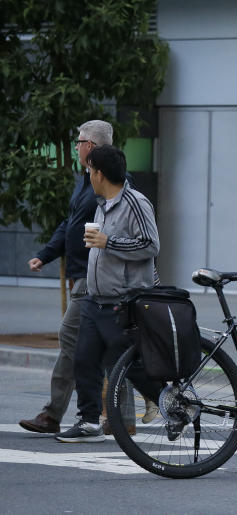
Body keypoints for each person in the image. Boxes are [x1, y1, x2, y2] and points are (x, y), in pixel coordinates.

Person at [55, 145, 163, 442]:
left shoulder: (136, 203)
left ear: (100, 174)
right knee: (84, 359)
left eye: (90, 171)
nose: (88, 176)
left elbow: (151, 246)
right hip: (95, 297)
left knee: (128, 365)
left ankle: (173, 402)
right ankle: (89, 421)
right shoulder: (103, 203)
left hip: (122, 299)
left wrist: (109, 242)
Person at [19, 120, 121, 435]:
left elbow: (126, 225)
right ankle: (119, 415)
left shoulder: (113, 180)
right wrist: (46, 254)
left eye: (79, 141)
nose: (76, 146)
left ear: (91, 145)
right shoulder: (85, 180)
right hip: (82, 273)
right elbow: (70, 223)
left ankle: (58, 414)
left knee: (71, 339)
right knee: (97, 345)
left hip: (97, 275)